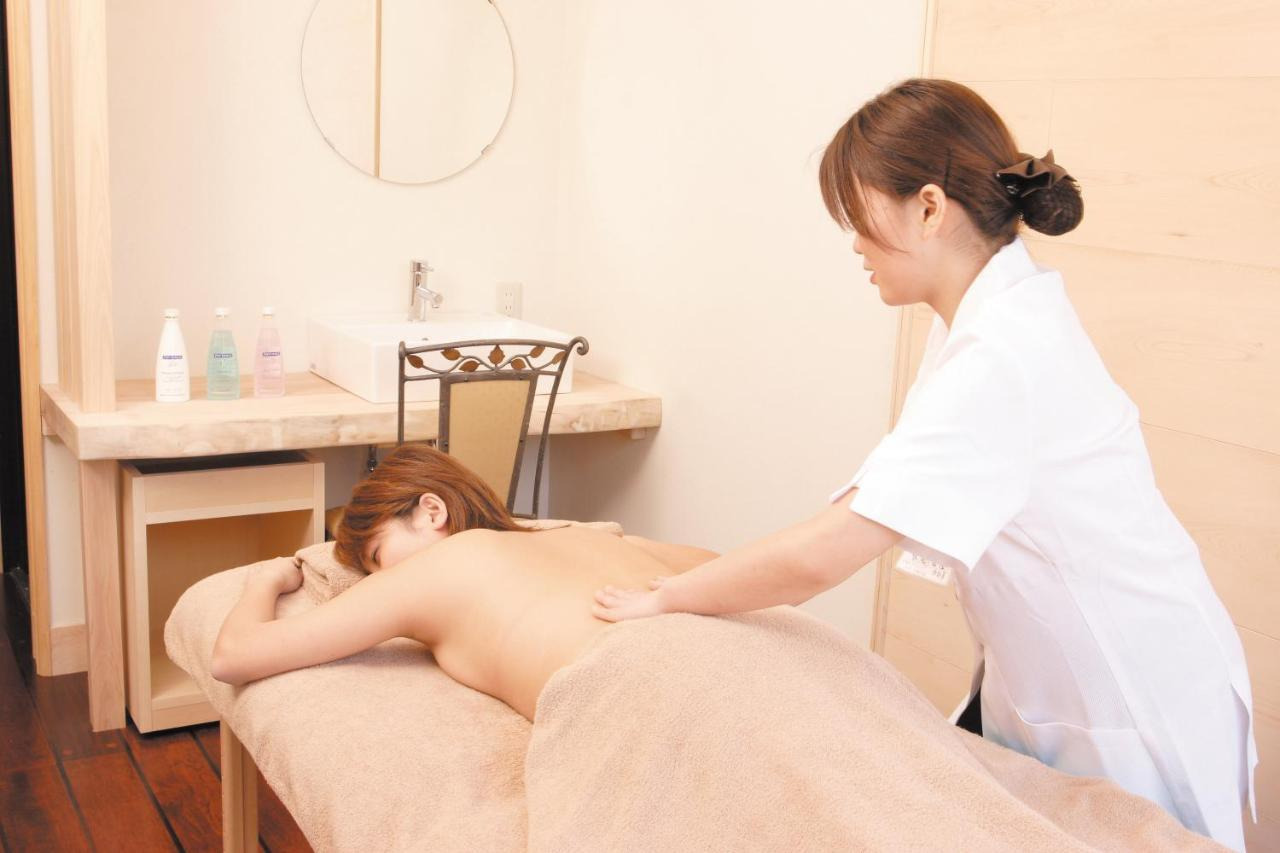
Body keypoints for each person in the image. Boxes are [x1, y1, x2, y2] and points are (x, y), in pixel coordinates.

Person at [591, 78, 1256, 851]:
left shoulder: (1004, 353)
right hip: (1059, 684)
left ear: (930, 208)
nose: (854, 244)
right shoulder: (983, 318)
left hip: (1135, 699)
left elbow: (825, 552)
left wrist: (669, 597)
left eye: (858, 216)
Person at [211, 443, 717, 721]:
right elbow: (720, 567)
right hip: (723, 658)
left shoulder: (434, 568)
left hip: (647, 696)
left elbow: (234, 657)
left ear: (431, 511)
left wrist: (265, 581)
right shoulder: (589, 535)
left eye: (379, 556)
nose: (381, 579)